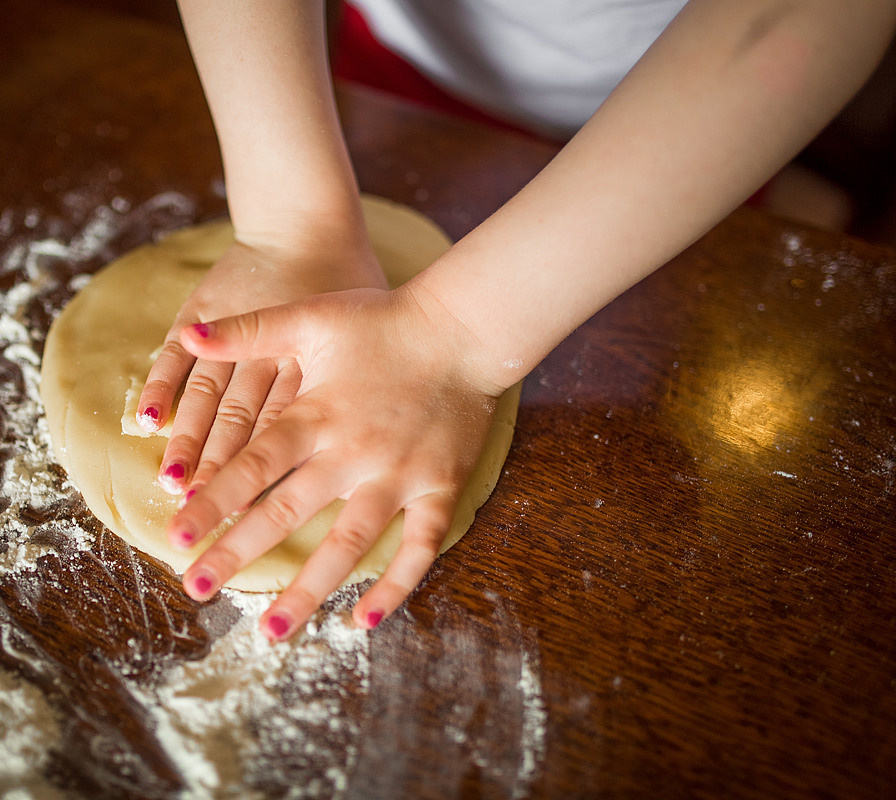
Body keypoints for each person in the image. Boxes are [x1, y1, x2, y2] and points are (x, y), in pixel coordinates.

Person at [133, 0, 896, 642]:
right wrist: (292, 217)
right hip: (387, 71)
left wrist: (453, 335)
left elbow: (789, 18)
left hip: (688, 132)